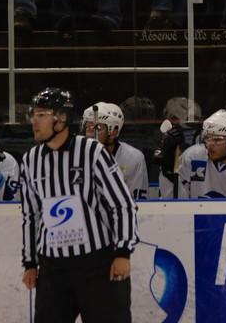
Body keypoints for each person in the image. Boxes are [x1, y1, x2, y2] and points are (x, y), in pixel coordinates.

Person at [19, 87, 138, 322]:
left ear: (62, 118)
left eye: (41, 115)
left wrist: (123, 252)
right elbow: (31, 215)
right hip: (53, 270)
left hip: (98, 267)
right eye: (33, 114)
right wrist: (30, 262)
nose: (34, 121)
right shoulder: (30, 160)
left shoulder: (92, 152)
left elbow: (122, 203)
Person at [81, 101, 149, 200]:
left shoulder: (133, 158)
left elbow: (138, 202)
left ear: (114, 132)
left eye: (97, 128)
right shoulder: (76, 156)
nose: (90, 134)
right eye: (87, 128)